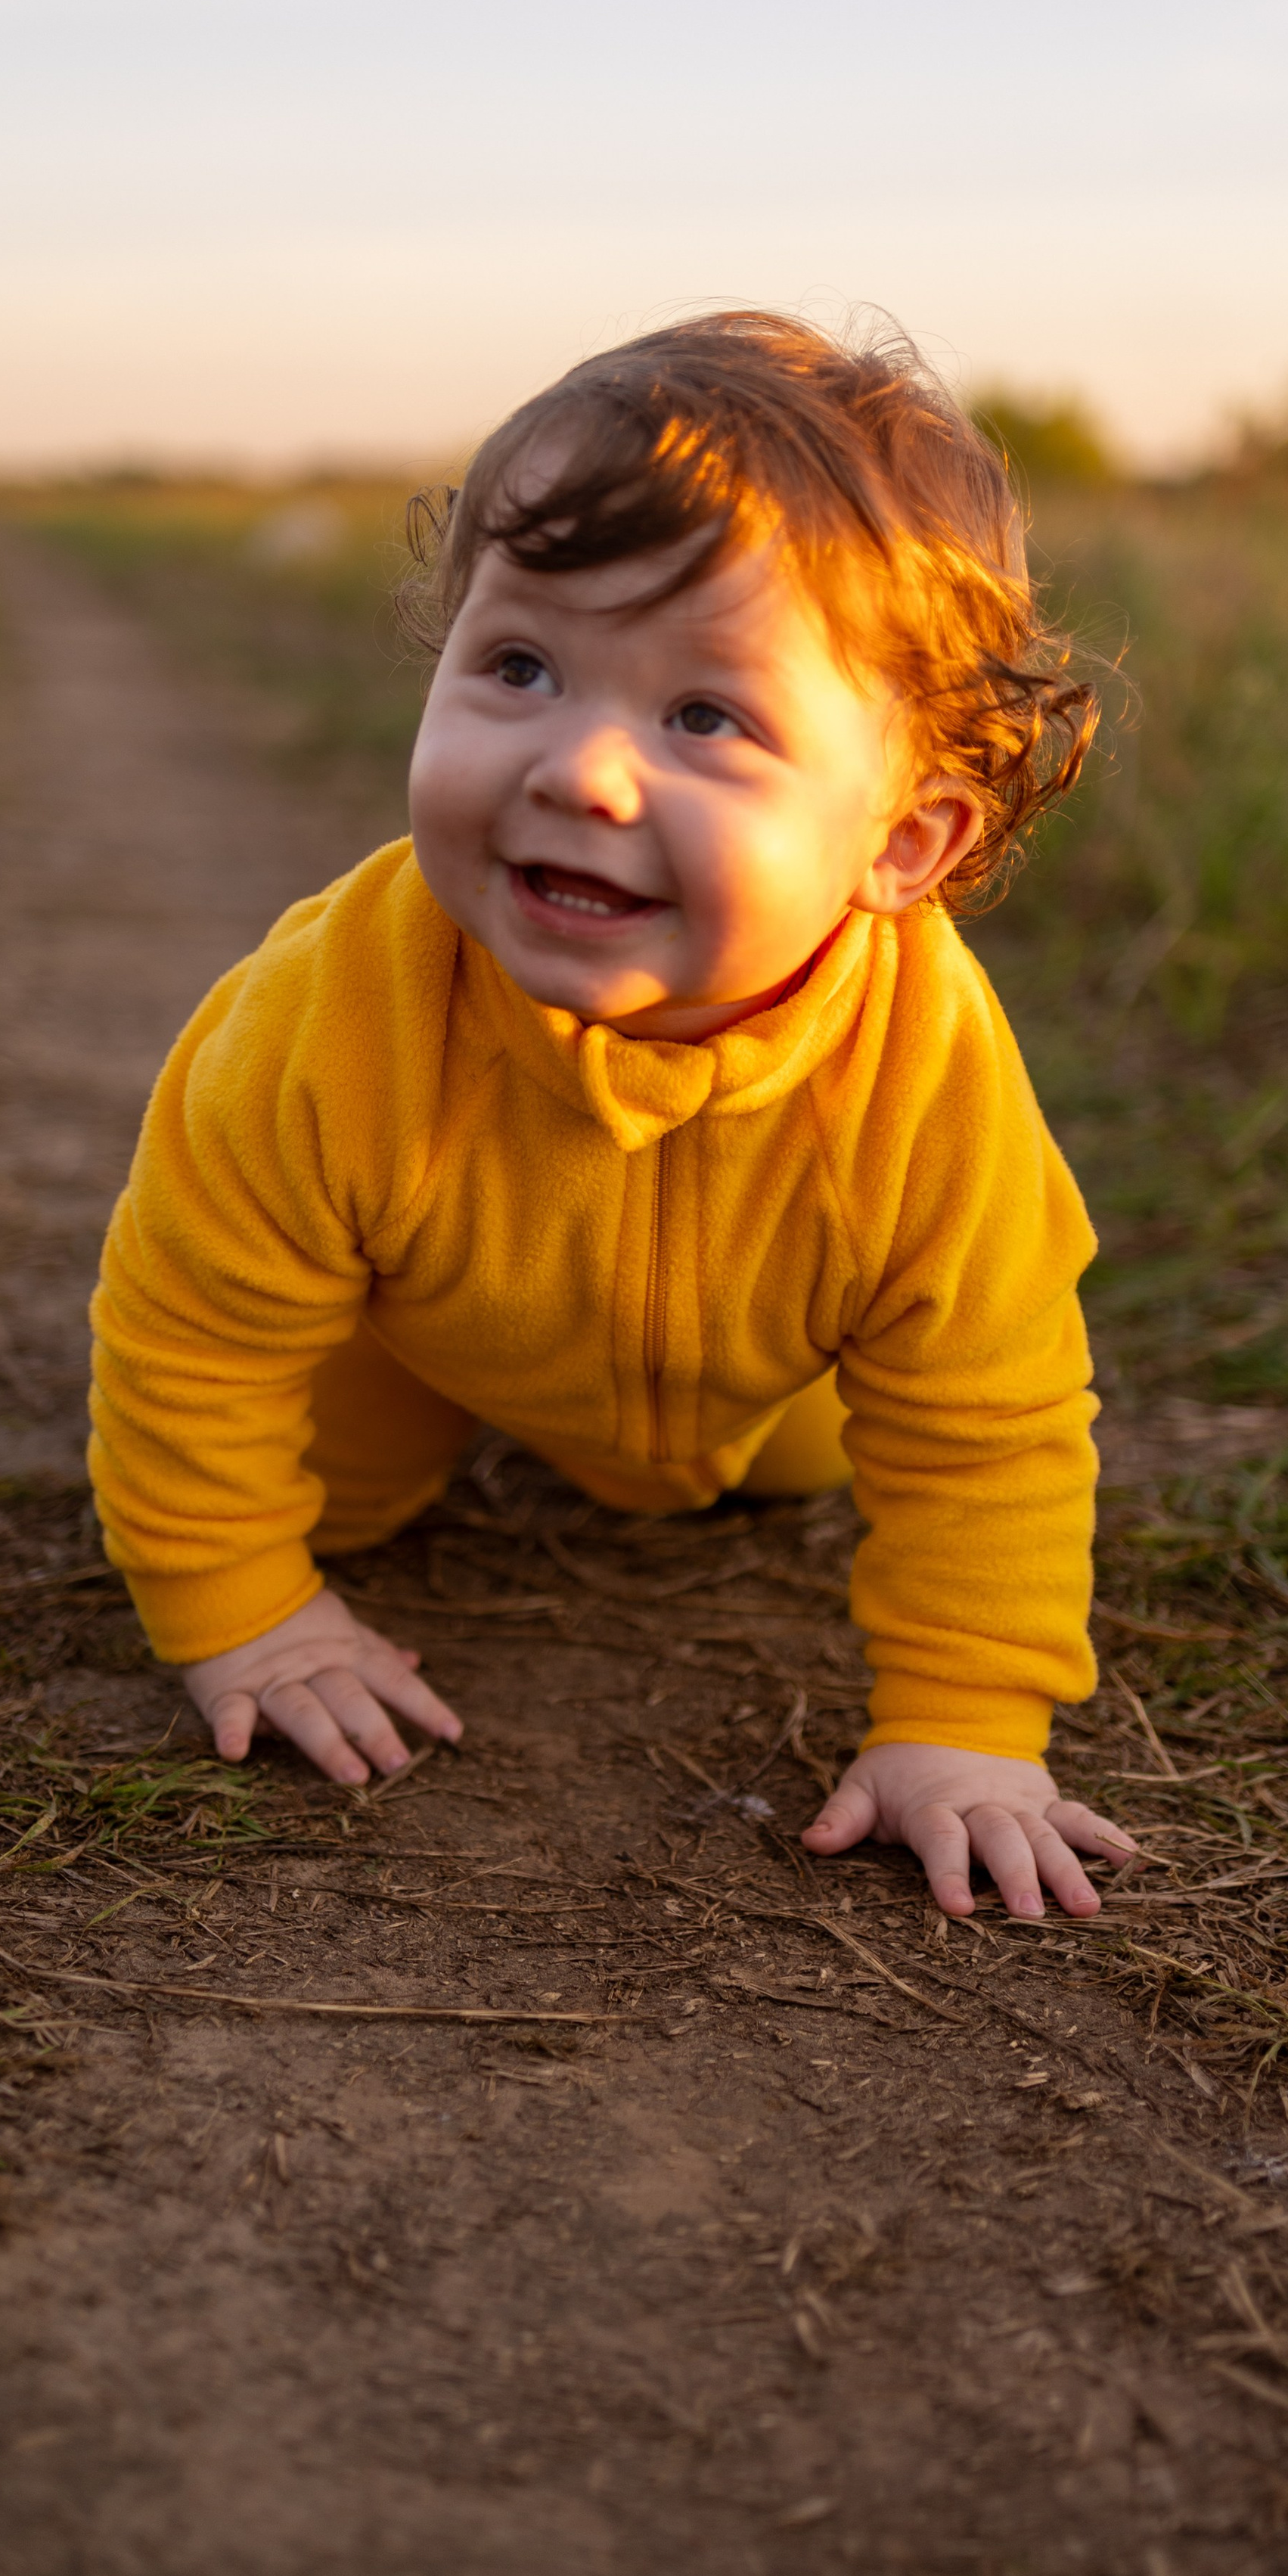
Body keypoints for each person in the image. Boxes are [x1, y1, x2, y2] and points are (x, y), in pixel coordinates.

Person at [88, 311, 1137, 1921]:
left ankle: (731, 1460)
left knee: (821, 1464)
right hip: (422, 1335)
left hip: (769, 1365)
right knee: (319, 1494)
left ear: (900, 844)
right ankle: (322, 1509)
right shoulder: (331, 1019)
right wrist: (241, 1610)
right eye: (519, 667)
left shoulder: (922, 1079)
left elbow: (990, 1418)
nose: (581, 768)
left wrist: (965, 1725)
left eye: (705, 718)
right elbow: (191, 1329)